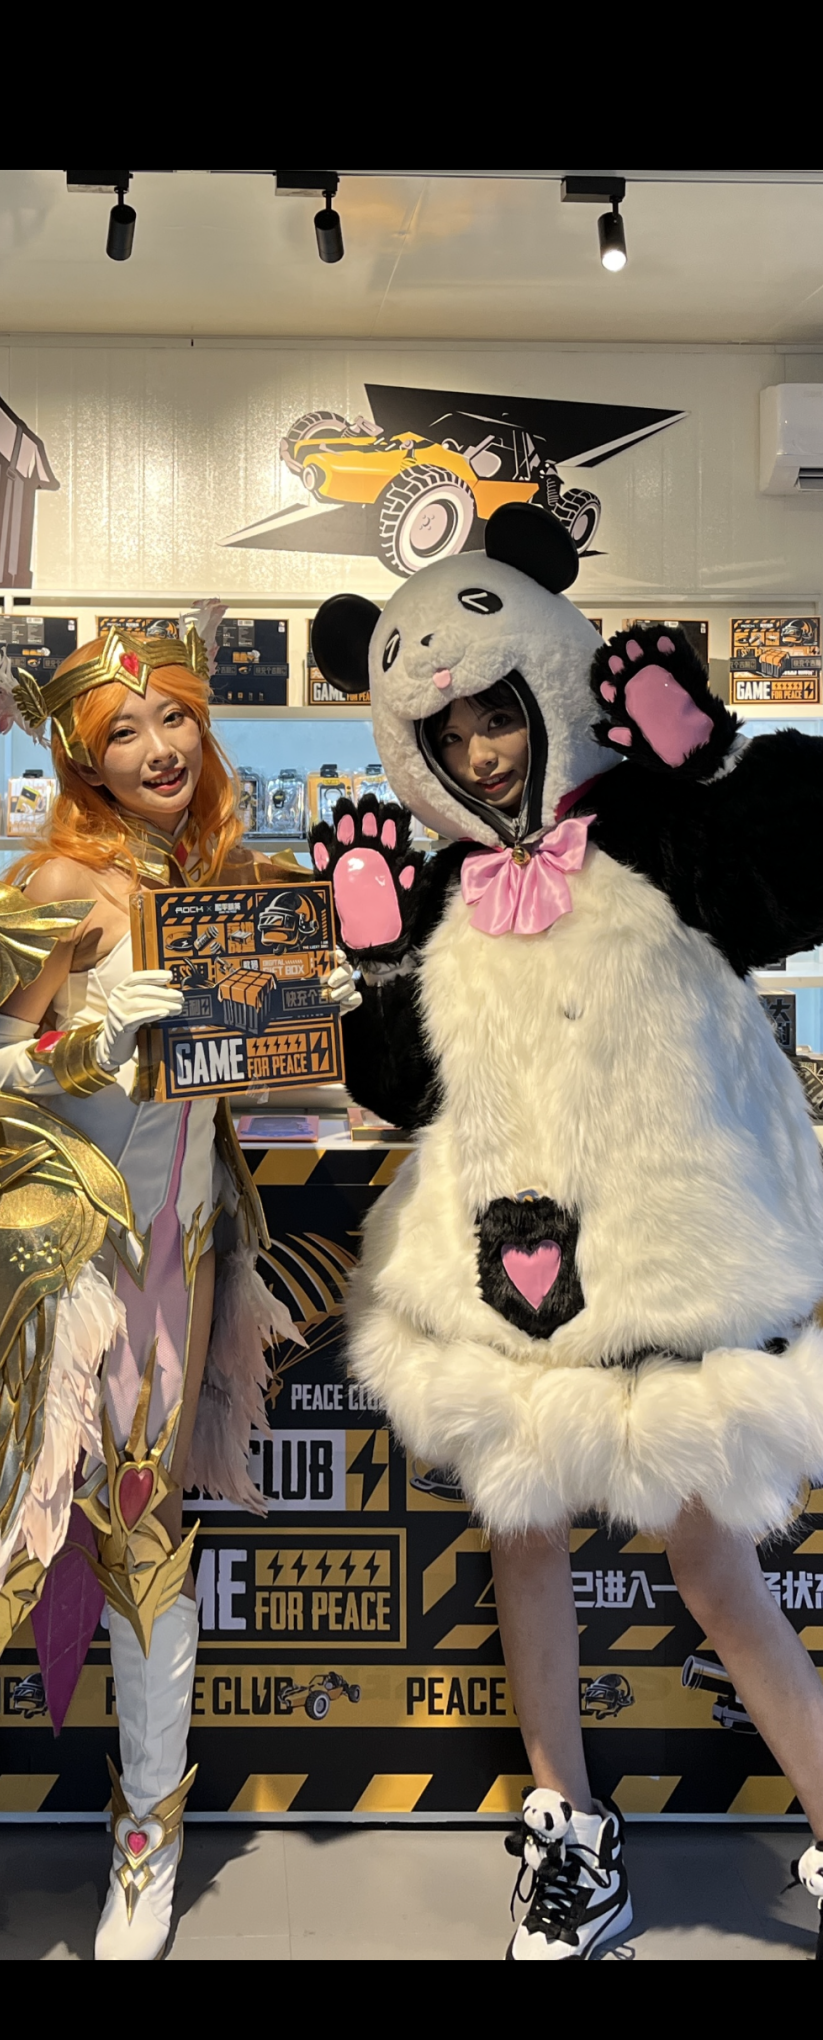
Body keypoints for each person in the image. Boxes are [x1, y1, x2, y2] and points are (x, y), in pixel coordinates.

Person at [308, 503, 823, 1962]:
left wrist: (710, 759)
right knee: (524, 1540)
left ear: (545, 679)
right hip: (506, 1264)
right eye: (450, 731)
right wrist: (372, 958)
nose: (482, 751)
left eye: (498, 713)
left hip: (666, 1256)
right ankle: (570, 1834)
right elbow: (400, 1086)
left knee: (715, 1566)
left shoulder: (658, 824)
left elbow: (797, 877)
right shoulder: (437, 883)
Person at [0, 618, 357, 1962]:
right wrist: (92, 1031)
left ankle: (150, 1837)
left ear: (205, 725)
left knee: (147, 1535)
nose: (157, 748)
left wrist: (314, 1002)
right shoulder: (50, 878)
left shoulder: (233, 876)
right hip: (44, 1249)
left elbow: (255, 1072)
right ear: (85, 760)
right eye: (122, 733)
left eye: (175, 719)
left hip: (175, 1250)